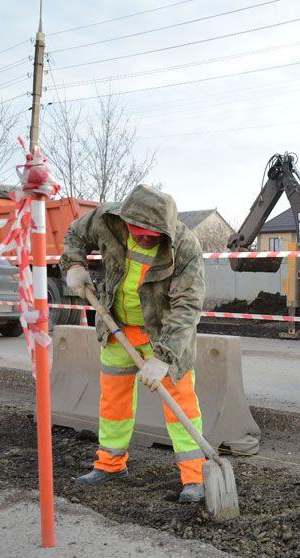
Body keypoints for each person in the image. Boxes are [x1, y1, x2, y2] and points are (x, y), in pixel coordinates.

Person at [61, 184, 207, 503]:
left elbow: (187, 306)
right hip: (117, 329)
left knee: (180, 403)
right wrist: (73, 265)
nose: (145, 240)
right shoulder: (105, 219)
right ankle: (111, 463)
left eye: (152, 237)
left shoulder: (184, 246)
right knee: (114, 401)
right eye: (139, 234)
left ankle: (196, 476)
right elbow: (73, 234)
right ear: (126, 222)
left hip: (162, 336)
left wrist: (164, 357)